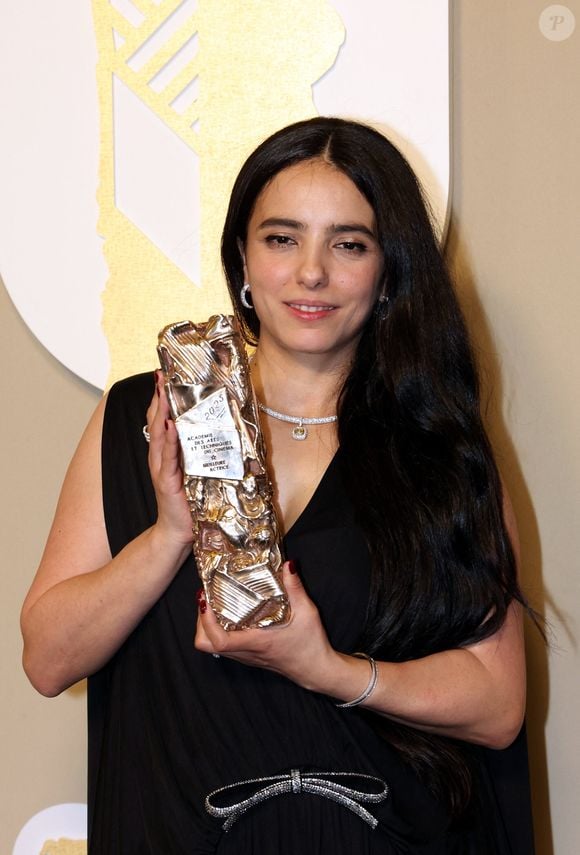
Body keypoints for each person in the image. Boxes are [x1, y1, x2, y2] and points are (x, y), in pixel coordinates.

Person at [21, 117, 537, 853]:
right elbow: (46, 659)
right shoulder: (144, 415)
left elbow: (499, 705)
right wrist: (171, 532)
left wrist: (326, 669)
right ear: (242, 256)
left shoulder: (436, 447)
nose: (311, 272)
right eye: (282, 238)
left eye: (349, 244)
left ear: (388, 272)